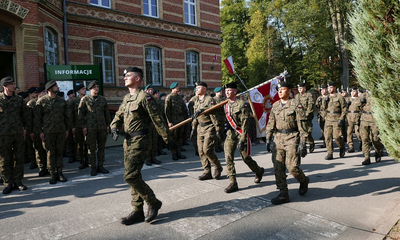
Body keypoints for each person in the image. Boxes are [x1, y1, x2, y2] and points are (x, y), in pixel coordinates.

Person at [110, 67, 177, 225]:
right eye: (124, 75)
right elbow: (118, 114)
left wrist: (168, 140)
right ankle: (137, 211)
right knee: (134, 176)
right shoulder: (127, 98)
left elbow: (158, 120)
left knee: (130, 176)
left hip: (140, 141)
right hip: (128, 142)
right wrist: (113, 127)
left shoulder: (144, 97)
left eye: (128, 75)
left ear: (138, 78)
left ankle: (153, 202)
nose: (125, 77)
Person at [266, 81, 309, 204]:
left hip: (292, 138)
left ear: (289, 91)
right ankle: (283, 193)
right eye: (278, 90)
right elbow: (270, 123)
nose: (279, 91)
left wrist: (303, 142)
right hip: (278, 138)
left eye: (282, 89)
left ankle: (303, 180)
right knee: (278, 167)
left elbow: (302, 125)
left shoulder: (296, 104)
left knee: (292, 167)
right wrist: (268, 138)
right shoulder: (275, 106)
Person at [223, 82, 264, 193]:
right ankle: (233, 182)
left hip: (241, 133)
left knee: (246, 158)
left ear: (235, 91)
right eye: (226, 91)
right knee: (228, 158)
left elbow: (245, 123)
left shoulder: (242, 104)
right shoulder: (225, 104)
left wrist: (243, 139)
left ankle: (258, 171)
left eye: (229, 90)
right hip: (230, 134)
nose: (227, 92)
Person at [35, 80, 71, 184]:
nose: (58, 87)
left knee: (59, 152)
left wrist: (67, 129)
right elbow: (38, 119)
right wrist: (40, 132)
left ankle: (60, 173)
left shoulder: (62, 101)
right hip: (48, 132)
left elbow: (66, 117)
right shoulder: (41, 101)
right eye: (55, 86)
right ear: (50, 89)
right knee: (50, 153)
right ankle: (52, 174)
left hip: (60, 131)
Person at [0, 76, 30, 194]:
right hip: (3, 135)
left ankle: (18, 181)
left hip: (17, 133)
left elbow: (25, 115)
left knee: (19, 158)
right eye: (11, 84)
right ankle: (8, 183)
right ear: (5, 86)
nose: (14, 85)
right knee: (4, 159)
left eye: (13, 83)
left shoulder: (18, 99)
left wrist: (25, 129)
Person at [191, 82, 223, 180]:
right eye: (196, 87)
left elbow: (213, 113)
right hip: (200, 127)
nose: (196, 89)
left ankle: (218, 166)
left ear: (204, 89)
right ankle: (207, 171)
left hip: (209, 127)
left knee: (207, 150)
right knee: (201, 151)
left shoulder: (209, 99)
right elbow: (195, 117)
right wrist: (193, 128)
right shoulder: (196, 100)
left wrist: (217, 128)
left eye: (199, 87)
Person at [78, 80, 111, 176]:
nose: (96, 88)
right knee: (91, 148)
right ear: (90, 89)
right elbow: (80, 114)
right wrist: (84, 127)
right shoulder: (85, 99)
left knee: (101, 148)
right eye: (94, 87)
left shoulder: (102, 99)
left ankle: (100, 166)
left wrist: (108, 125)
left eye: (97, 87)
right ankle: (93, 167)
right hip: (90, 128)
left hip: (102, 128)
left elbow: (107, 114)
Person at [323, 82, 347, 160]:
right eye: (328, 88)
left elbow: (344, 108)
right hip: (328, 119)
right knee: (327, 137)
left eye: (331, 87)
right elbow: (323, 108)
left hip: (337, 119)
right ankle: (330, 153)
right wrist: (325, 102)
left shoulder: (339, 97)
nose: (329, 89)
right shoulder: (327, 97)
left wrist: (341, 118)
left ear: (335, 88)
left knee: (337, 137)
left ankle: (342, 146)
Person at [359, 91, 384, 165]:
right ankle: (367, 157)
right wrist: (361, 102)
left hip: (374, 119)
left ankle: (378, 150)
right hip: (364, 119)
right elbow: (358, 107)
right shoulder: (363, 95)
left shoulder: (378, 93)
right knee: (364, 139)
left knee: (375, 139)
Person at [165, 82, 187, 160]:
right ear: (173, 88)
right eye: (177, 86)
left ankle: (179, 152)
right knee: (173, 137)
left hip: (181, 119)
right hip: (173, 120)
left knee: (179, 137)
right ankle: (174, 153)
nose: (178, 88)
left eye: (178, 86)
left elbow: (184, 108)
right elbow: (167, 111)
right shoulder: (169, 97)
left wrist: (185, 118)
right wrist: (169, 122)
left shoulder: (179, 97)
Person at [29, 86, 48, 177]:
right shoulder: (32, 103)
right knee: (39, 150)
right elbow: (29, 119)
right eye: (43, 92)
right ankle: (42, 168)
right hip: (36, 130)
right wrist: (31, 131)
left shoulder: (46, 102)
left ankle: (49, 167)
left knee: (47, 149)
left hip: (46, 129)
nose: (45, 93)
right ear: (39, 93)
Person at [69, 83, 88, 169]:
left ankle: (88, 161)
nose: (85, 90)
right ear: (78, 91)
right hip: (78, 126)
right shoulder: (74, 101)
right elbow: (71, 115)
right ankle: (81, 161)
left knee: (88, 144)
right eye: (83, 89)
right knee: (80, 145)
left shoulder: (88, 99)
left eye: (85, 89)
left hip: (88, 125)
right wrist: (72, 126)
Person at [295, 82, 315, 153]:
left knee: (307, 132)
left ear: (304, 88)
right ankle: (302, 145)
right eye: (298, 88)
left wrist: (307, 114)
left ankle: (311, 143)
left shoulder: (309, 95)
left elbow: (311, 105)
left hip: (306, 117)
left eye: (301, 88)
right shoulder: (297, 96)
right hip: (298, 117)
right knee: (301, 132)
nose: (299, 89)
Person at [144, 84, 161, 166]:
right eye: (149, 89)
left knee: (154, 141)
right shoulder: (144, 99)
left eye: (151, 89)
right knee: (148, 142)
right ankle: (147, 158)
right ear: (146, 90)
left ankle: (153, 157)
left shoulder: (154, 100)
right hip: (147, 124)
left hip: (154, 124)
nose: (150, 91)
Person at [346, 86, 362, 153]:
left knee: (357, 132)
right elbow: (344, 108)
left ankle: (361, 142)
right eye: (351, 91)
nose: (352, 93)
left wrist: (360, 117)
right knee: (349, 132)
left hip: (357, 116)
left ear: (357, 92)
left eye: (354, 91)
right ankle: (351, 146)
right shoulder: (348, 99)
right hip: (349, 116)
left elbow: (362, 109)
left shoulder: (359, 99)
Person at [26, 87, 38, 169]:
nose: (36, 94)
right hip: (29, 127)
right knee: (30, 146)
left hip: (37, 127)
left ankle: (38, 162)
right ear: (30, 94)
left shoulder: (37, 102)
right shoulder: (27, 103)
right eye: (34, 93)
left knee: (37, 146)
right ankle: (33, 161)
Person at [213, 87, 226, 152]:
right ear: (216, 92)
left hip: (222, 117)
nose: (221, 92)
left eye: (221, 91)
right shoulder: (213, 100)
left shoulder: (223, 99)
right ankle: (216, 146)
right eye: (220, 91)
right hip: (216, 118)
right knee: (217, 133)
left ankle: (220, 145)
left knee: (221, 132)